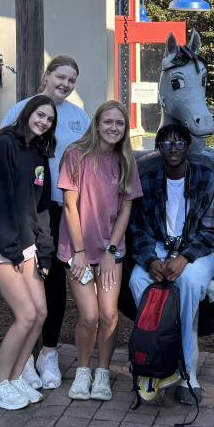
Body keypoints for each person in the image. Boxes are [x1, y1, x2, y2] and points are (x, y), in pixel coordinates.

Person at [0, 55, 90, 390]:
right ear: (47, 75)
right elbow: (3, 156)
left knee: (54, 281)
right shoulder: (22, 110)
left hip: (64, 209)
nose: (65, 84)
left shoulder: (79, 118)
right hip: (27, 209)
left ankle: (48, 352)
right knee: (27, 279)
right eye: (60, 76)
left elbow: (90, 163)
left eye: (71, 80)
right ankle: (23, 358)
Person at [0, 94, 57, 410]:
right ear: (28, 113)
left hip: (27, 246)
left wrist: (44, 253)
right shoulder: (5, 144)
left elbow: (41, 207)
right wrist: (13, 251)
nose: (44, 122)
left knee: (41, 313)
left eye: (49, 119)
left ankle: (16, 377)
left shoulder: (39, 153)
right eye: (40, 115)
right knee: (26, 315)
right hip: (0, 245)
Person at [128, 122, 214, 404]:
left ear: (187, 147)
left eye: (179, 143)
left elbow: (211, 231)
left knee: (189, 283)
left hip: (196, 251)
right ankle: (157, 357)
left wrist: (184, 258)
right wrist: (149, 261)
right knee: (138, 281)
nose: (173, 149)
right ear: (159, 148)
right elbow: (139, 229)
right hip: (159, 247)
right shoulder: (149, 180)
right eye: (166, 144)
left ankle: (187, 371)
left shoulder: (207, 178)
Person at [57, 99, 142, 401]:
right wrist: (79, 251)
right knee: (89, 315)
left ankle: (102, 372)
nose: (113, 128)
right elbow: (70, 206)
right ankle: (83, 371)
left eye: (119, 123)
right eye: (108, 121)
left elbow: (125, 210)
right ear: (97, 124)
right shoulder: (75, 155)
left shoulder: (126, 161)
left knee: (108, 314)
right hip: (77, 249)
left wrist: (110, 251)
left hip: (110, 250)